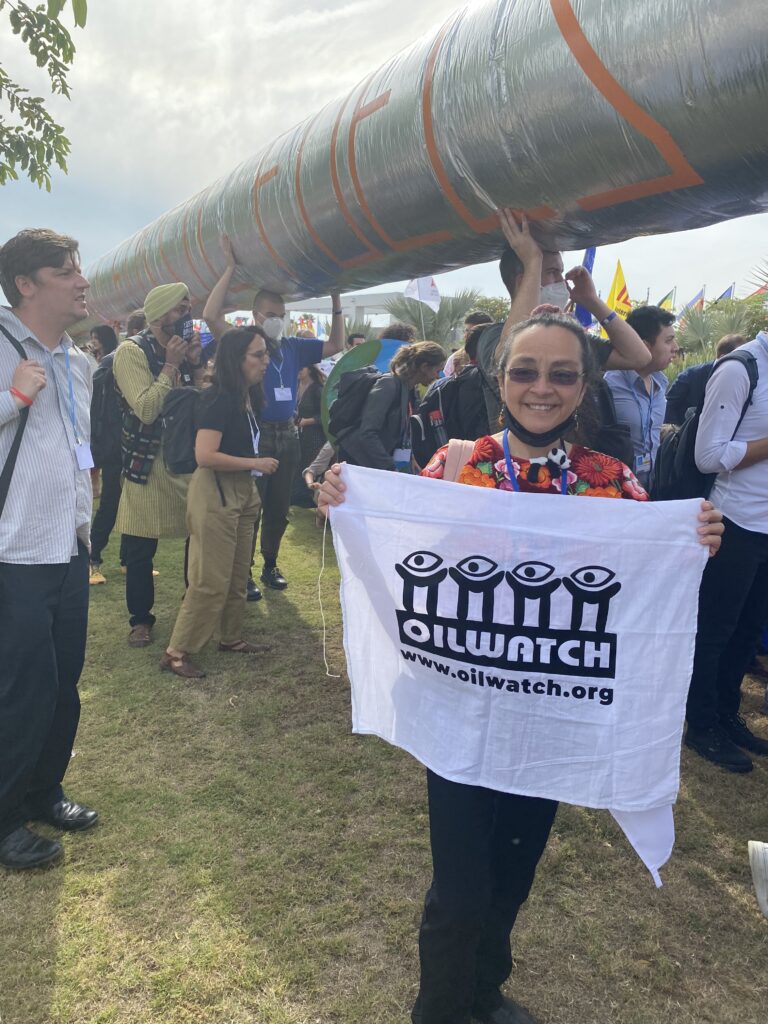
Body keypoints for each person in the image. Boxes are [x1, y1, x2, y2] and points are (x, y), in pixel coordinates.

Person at [318, 312, 723, 1024]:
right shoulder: (454, 467)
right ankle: (440, 1009)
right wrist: (349, 509)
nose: (543, 388)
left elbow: (639, 592)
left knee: (512, 875)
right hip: (460, 716)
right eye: (525, 371)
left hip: (551, 716)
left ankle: (485, 989)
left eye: (562, 373)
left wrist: (692, 542)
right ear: (498, 379)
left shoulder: (613, 482)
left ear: (583, 386)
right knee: (460, 888)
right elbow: (404, 560)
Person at [0, 228, 98, 870]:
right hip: (12, 552)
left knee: (64, 683)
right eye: (66, 271)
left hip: (67, 547)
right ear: (26, 284)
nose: (82, 281)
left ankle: (44, 790)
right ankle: (6, 817)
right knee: (20, 688)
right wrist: (13, 398)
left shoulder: (79, 361)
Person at [203, 236, 344, 596]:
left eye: (283, 316)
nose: (278, 321)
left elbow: (336, 346)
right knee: (252, 506)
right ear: (257, 316)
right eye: (271, 315)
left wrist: (336, 301)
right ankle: (245, 572)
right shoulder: (244, 342)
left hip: (288, 433)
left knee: (279, 506)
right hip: (258, 434)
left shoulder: (294, 346)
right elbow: (209, 316)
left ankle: (270, 565)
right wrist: (230, 270)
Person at [476, 211, 653, 440]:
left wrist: (592, 301)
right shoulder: (492, 335)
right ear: (523, 280)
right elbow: (509, 350)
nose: (562, 282)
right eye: (552, 272)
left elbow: (639, 357)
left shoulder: (569, 342)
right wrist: (532, 261)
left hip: (572, 466)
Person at [162, 326, 278, 678]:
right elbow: (205, 455)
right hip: (216, 491)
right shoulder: (218, 398)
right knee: (209, 578)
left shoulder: (248, 397)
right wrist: (255, 464)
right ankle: (176, 652)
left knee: (237, 572)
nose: (265, 361)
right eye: (258, 355)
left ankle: (231, 637)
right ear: (236, 359)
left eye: (265, 353)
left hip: (242, 492)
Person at [685, 328, 768, 772]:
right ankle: (701, 725)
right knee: (716, 629)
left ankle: (726, 714)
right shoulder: (741, 367)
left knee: (749, 630)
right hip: (733, 521)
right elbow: (708, 455)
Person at [113, 282, 205, 647]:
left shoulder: (184, 351)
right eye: (180, 310)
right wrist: (170, 365)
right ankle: (141, 620)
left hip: (185, 459)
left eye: (188, 308)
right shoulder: (130, 352)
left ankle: (191, 608)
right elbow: (147, 408)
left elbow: (195, 406)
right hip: (145, 463)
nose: (187, 317)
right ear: (160, 314)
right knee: (139, 549)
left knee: (195, 538)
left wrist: (195, 368)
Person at [338, 341, 445, 471]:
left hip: (374, 464)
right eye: (437, 370)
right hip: (359, 465)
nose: (437, 376)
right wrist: (389, 468)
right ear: (424, 366)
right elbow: (367, 433)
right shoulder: (388, 385)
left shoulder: (410, 391)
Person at [603, 305, 677, 489]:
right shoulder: (608, 386)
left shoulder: (660, 384)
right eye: (668, 341)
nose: (675, 348)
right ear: (644, 346)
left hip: (651, 489)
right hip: (615, 492)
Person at [88, 325, 123, 585]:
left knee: (129, 506)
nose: (93, 343)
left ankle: (128, 560)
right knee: (110, 503)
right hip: (112, 448)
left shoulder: (113, 363)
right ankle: (92, 559)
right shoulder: (107, 367)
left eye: (96, 339)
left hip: (122, 446)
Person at [664, 334, 747, 426]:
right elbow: (669, 406)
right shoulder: (691, 376)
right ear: (723, 357)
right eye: (741, 358)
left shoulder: (745, 379)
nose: (745, 363)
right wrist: (678, 433)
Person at [293, 363, 327, 506]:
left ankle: (308, 497)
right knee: (297, 464)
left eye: (301, 367)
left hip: (314, 436)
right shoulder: (294, 386)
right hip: (298, 435)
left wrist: (308, 421)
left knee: (309, 464)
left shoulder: (317, 389)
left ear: (310, 369)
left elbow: (325, 415)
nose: (298, 370)